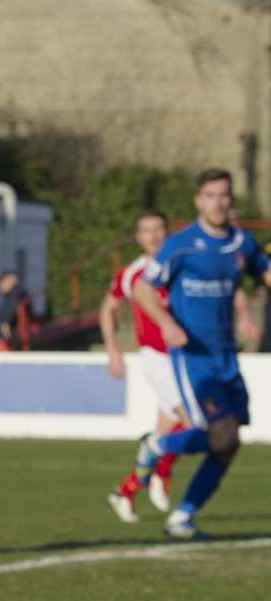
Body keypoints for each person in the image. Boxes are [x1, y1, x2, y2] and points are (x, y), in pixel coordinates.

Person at [130, 168, 266, 539]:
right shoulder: (182, 244)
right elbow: (143, 290)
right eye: (209, 195)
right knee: (221, 434)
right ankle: (159, 444)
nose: (217, 202)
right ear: (198, 200)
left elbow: (263, 272)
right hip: (193, 358)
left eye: (223, 195)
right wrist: (167, 324)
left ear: (231, 200)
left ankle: (182, 516)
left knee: (230, 442)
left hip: (227, 357)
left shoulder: (241, 243)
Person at [100, 210, 188, 522]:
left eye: (158, 229)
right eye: (145, 231)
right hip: (158, 359)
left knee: (171, 427)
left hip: (186, 359)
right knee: (195, 421)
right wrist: (113, 350)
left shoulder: (182, 264)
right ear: (138, 237)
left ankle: (126, 490)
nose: (152, 236)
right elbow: (108, 307)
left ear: (168, 232)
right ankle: (161, 469)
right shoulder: (133, 273)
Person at [0, 271, 30, 350]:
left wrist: (5, 322)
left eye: (1, 285)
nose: (0, 288)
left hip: (2, 337)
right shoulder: (10, 296)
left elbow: (9, 310)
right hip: (1, 336)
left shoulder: (14, 294)